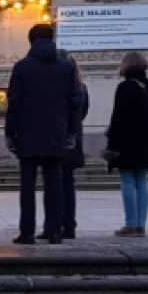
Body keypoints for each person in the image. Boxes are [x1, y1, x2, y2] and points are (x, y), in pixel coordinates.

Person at [5, 23, 77, 245]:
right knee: (54, 183)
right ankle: (54, 231)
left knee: (27, 184)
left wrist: (10, 132)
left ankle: (27, 231)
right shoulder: (66, 68)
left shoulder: (23, 67)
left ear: (31, 40)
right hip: (56, 131)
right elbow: (73, 102)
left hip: (28, 132)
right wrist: (71, 131)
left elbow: (14, 103)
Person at [104, 52, 148, 237]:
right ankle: (141, 224)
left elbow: (119, 118)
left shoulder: (126, 87)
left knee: (128, 180)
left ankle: (131, 223)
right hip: (147, 140)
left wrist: (112, 145)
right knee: (142, 181)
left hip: (128, 141)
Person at [60, 59, 90, 239]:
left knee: (56, 182)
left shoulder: (59, 88)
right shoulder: (81, 88)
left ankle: (55, 223)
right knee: (68, 183)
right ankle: (69, 223)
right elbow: (82, 112)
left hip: (58, 138)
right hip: (74, 139)